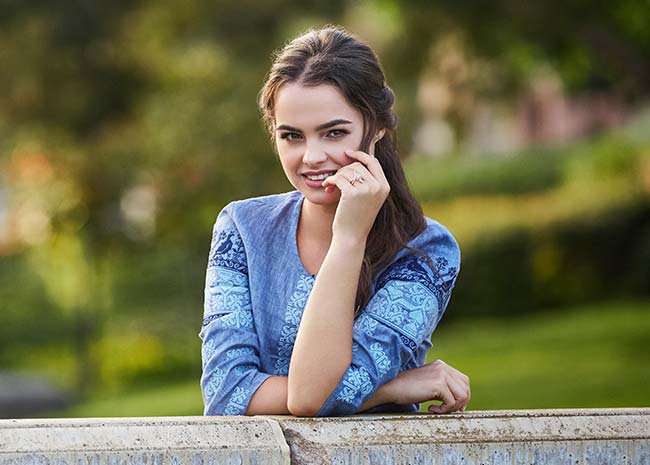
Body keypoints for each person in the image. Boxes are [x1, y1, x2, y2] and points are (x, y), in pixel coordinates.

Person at [199, 25, 470, 417]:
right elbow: (226, 393)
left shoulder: (426, 251)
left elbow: (309, 397)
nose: (311, 157)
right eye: (291, 136)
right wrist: (391, 388)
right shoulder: (241, 227)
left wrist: (348, 238)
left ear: (375, 128)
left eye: (334, 133)